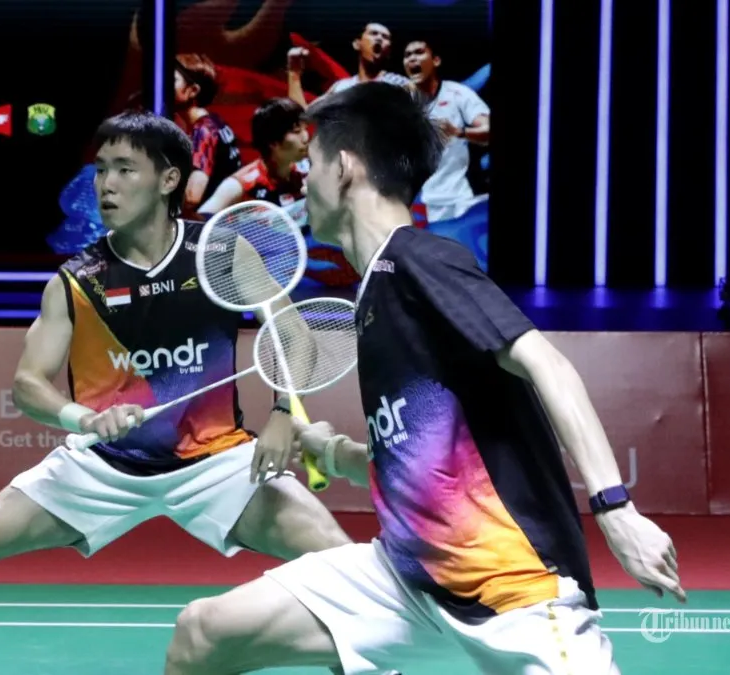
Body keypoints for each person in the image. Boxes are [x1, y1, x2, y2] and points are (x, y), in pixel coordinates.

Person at [162, 83, 686, 675]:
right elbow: (421, 460)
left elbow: (549, 366)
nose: (303, 178)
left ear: (345, 167)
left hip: (513, 589)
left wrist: (616, 510)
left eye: (313, 160)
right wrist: (332, 453)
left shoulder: (418, 259)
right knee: (203, 633)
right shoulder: (374, 293)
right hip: (406, 580)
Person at [0, 111, 352, 675]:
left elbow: (292, 335)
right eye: (102, 169)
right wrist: (83, 418)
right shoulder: (79, 280)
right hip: (104, 465)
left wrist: (282, 411)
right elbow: (28, 384)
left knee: (337, 559)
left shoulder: (219, 253)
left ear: (169, 179)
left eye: (125, 169)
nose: (106, 184)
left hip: (216, 459)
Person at [402, 38, 490, 225]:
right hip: (420, 207)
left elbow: (489, 130)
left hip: (459, 201)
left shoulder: (457, 93)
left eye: (419, 52)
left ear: (436, 61)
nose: (412, 58)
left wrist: (458, 132)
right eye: (407, 55)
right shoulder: (401, 104)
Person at [197, 97, 309, 216]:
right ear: (273, 142)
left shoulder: (307, 170)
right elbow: (199, 221)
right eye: (297, 131)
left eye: (305, 129)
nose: (306, 137)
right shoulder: (241, 185)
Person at [172, 54, 243, 215]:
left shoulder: (204, 132)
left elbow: (192, 197)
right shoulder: (214, 121)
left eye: (172, 81)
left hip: (215, 222)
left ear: (193, 91)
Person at [287, 22, 412, 108]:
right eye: (373, 33)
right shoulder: (341, 88)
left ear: (388, 52)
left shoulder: (400, 85)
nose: (379, 38)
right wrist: (294, 74)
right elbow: (302, 117)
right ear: (357, 44)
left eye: (385, 37)